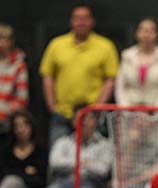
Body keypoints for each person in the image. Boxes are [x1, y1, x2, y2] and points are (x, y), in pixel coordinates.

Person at [39, 3, 119, 145]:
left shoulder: (105, 46)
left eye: (85, 18)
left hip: (92, 115)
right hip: (62, 114)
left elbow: (110, 79)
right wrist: (52, 106)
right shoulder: (56, 45)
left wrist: (98, 107)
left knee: (94, 156)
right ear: (71, 21)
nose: (81, 22)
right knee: (58, 155)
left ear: (92, 21)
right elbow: (47, 76)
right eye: (77, 18)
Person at [40, 105, 113, 188]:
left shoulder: (105, 144)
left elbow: (102, 170)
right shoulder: (63, 142)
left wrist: (70, 164)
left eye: (87, 118)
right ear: (73, 121)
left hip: (90, 183)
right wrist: (83, 163)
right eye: (80, 118)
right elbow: (55, 163)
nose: (83, 122)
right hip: (63, 181)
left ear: (95, 121)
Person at [115, 17, 158, 106]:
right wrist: (126, 110)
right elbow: (120, 87)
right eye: (143, 30)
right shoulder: (126, 55)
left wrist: (157, 110)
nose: (146, 35)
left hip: (157, 109)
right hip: (129, 109)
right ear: (136, 34)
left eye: (151, 31)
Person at [0, 110, 46, 188]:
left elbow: (40, 181)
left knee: (11, 181)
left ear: (31, 127)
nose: (20, 130)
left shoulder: (40, 151)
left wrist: (15, 172)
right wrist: (26, 173)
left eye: (24, 125)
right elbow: (2, 174)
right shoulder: (7, 150)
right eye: (16, 126)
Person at [0, 23, 28, 135]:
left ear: (11, 41)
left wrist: (3, 109)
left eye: (3, 38)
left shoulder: (19, 66)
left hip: (6, 121)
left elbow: (22, 100)